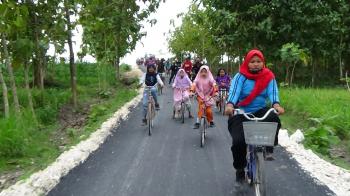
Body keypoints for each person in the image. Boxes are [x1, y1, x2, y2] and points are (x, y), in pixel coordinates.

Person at [224, 49, 285, 183]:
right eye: (252, 61)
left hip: (260, 109)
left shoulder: (269, 76)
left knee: (274, 119)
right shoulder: (240, 77)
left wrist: (276, 104)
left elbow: (273, 92)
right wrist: (230, 105)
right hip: (241, 111)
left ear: (263, 63)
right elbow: (234, 92)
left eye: (259, 61)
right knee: (239, 142)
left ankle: (269, 147)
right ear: (247, 62)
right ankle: (240, 169)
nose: (256, 64)